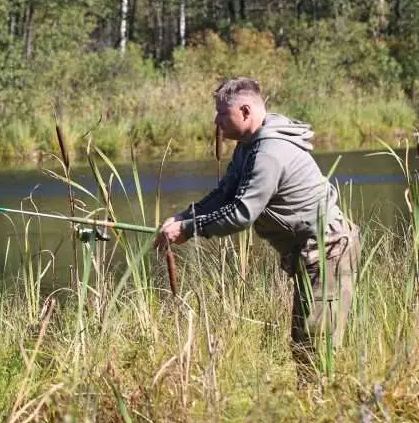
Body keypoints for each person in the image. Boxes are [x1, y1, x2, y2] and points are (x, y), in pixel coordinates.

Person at [154, 77, 360, 374]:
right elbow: (224, 194)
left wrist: (188, 230)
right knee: (306, 347)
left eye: (223, 114)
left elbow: (241, 213)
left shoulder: (268, 153)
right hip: (310, 253)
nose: (216, 121)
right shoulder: (247, 145)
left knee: (315, 351)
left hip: (329, 252)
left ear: (246, 112)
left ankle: (326, 410)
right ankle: (313, 408)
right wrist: (184, 216)